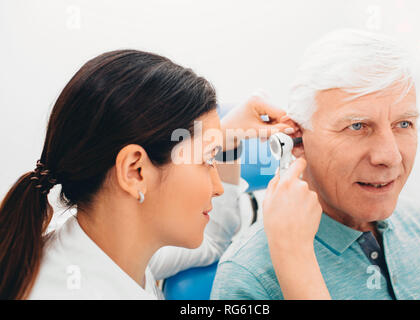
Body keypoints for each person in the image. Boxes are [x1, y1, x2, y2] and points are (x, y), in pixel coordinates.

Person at [0, 49, 328, 299]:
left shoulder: (101, 245)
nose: (217, 187)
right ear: (135, 171)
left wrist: (223, 142)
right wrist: (295, 255)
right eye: (206, 162)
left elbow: (212, 241)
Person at [211, 29, 420, 300]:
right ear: (297, 139)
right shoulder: (251, 278)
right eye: (357, 126)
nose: (390, 156)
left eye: (404, 124)